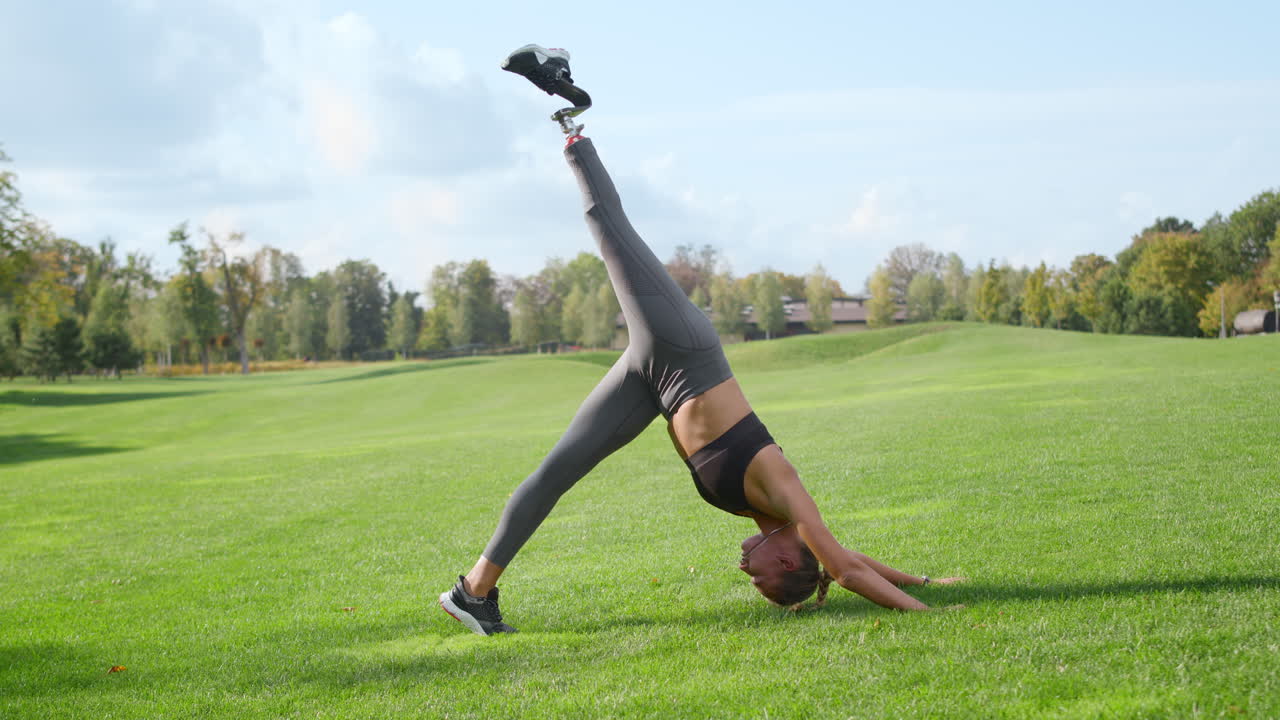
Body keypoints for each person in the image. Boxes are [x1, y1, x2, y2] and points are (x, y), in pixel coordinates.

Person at [439, 45, 964, 636]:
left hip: (652, 381)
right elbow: (841, 568)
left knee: (555, 472)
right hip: (683, 348)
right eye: (760, 577)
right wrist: (931, 615)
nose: (746, 570)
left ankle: (474, 593)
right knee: (612, 229)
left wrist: (921, 580)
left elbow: (839, 559)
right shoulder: (785, 492)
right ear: (787, 559)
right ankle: (569, 116)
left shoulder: (781, 529)